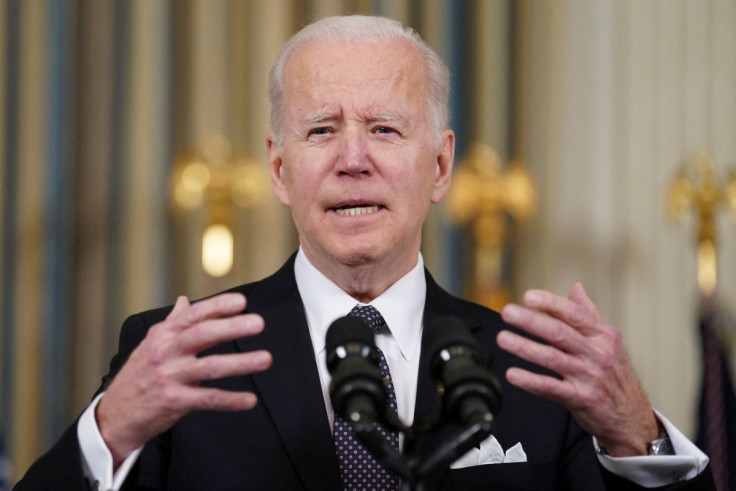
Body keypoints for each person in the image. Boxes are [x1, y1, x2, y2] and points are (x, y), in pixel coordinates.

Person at [16, 15, 713, 490]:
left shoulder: (536, 368)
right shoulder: (184, 357)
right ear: (280, 167)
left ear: (439, 167)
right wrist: (105, 433)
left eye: (385, 128)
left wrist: (639, 440)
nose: (354, 160)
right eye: (321, 130)